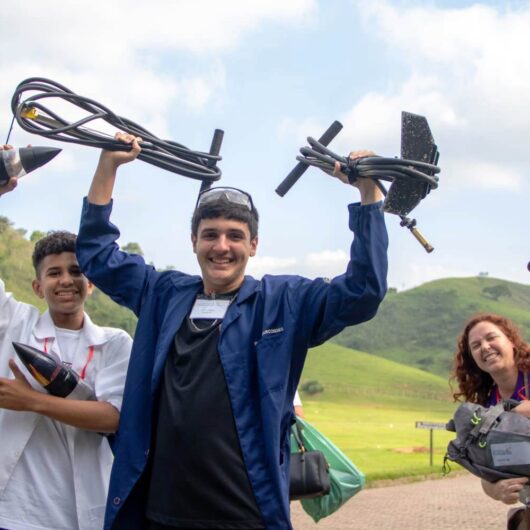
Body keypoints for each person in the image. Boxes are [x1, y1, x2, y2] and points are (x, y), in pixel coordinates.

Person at [76, 133, 388, 530]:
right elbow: (97, 255)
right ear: (193, 241)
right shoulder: (163, 294)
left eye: (235, 236)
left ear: (253, 245)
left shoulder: (283, 301)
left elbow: (363, 292)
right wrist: (108, 167)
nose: (221, 246)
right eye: (210, 234)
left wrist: (368, 196)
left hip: (246, 515)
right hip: (159, 514)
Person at [0, 146, 133, 530]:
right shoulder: (13, 323)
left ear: (90, 283)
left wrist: (31, 401)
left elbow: (112, 418)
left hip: (85, 513)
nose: (66, 280)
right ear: (37, 286)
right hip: (15, 512)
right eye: (54, 273)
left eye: (76, 271)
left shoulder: (115, 342)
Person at [451, 312, 530, 530]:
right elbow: (486, 468)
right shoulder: (487, 406)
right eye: (475, 346)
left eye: (491, 337)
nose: (485, 347)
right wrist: (495, 490)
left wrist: (515, 411)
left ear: (511, 341)